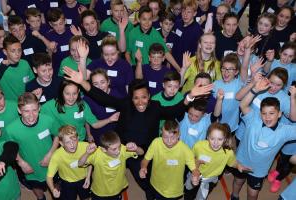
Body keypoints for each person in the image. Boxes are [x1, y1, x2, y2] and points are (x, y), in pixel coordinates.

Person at [63, 65, 213, 197]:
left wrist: (191, 95)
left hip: (143, 151)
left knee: (144, 179)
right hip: (120, 148)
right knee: (112, 174)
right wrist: (82, 81)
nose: (140, 102)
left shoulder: (155, 107)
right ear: (131, 98)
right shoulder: (125, 104)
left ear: (149, 96)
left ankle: (150, 192)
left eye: (144, 97)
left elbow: (174, 110)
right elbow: (103, 98)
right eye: (136, 98)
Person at [231, 82, 296, 200]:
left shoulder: (285, 131)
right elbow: (243, 105)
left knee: (253, 194)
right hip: (241, 162)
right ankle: (234, 196)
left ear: (280, 114)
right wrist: (254, 90)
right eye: (264, 113)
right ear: (260, 114)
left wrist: (293, 98)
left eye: (272, 113)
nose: (267, 117)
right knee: (237, 182)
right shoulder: (253, 119)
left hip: (259, 171)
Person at [6, 92, 59, 200]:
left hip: (52, 162)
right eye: (26, 111)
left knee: (56, 183)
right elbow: (11, 149)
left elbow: (57, 136)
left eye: (34, 110)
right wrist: (21, 163)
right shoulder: (11, 129)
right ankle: (40, 198)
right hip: (30, 166)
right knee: (35, 186)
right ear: (19, 110)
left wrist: (50, 154)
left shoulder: (48, 120)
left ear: (39, 108)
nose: (31, 115)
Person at [184, 122, 250, 200]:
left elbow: (232, 163)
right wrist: (196, 163)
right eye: (212, 139)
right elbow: (190, 158)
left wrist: (238, 165)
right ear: (207, 137)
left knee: (202, 196)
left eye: (220, 139)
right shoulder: (199, 146)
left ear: (225, 139)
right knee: (189, 194)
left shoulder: (228, 153)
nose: (215, 143)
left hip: (209, 180)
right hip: (195, 175)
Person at [41, 80, 120, 141]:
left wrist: (109, 119)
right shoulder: (51, 105)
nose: (71, 98)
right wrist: (36, 99)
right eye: (67, 94)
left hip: (80, 140)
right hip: (62, 142)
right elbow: (34, 111)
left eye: (74, 93)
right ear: (62, 93)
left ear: (78, 92)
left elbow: (95, 124)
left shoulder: (82, 105)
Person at [140, 120, 200, 199]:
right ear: (161, 133)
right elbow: (145, 160)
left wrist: (195, 176)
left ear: (179, 135)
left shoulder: (185, 149)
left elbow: (194, 168)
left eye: (173, 138)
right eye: (165, 137)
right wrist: (143, 167)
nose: (169, 141)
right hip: (155, 183)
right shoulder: (156, 143)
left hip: (173, 190)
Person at [78, 131, 144, 200]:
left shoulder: (123, 149)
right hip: (99, 191)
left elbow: (141, 153)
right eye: (114, 149)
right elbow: (80, 164)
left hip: (117, 189)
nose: (118, 151)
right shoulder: (96, 154)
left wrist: (136, 148)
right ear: (103, 149)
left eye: (119, 146)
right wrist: (87, 153)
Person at [125, 6, 181, 72]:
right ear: (139, 19)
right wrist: (130, 65)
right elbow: (127, 53)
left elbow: (166, 52)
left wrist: (178, 68)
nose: (147, 22)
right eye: (144, 19)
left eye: (149, 19)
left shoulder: (156, 34)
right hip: (136, 67)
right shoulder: (132, 33)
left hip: (150, 68)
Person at [47, 125, 91, 200]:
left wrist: (88, 177)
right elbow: (49, 177)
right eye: (67, 142)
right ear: (61, 143)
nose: (72, 145)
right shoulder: (57, 155)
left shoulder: (86, 146)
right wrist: (52, 189)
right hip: (67, 183)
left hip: (84, 179)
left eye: (74, 140)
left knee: (86, 197)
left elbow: (90, 162)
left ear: (78, 138)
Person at [84, 68, 122, 144]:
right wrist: (88, 134)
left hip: (115, 135)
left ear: (108, 82)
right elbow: (87, 120)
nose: (100, 86)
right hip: (97, 135)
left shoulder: (118, 96)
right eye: (96, 84)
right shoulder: (87, 99)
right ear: (91, 86)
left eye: (102, 82)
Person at [213, 53, 244, 134]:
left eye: (230, 69)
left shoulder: (239, 83)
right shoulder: (216, 84)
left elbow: (244, 69)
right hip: (217, 125)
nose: (226, 72)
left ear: (236, 71)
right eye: (224, 68)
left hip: (231, 126)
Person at [0, 35, 34, 100]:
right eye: (13, 51)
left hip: (24, 104)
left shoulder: (25, 63)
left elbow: (31, 82)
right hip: (8, 106)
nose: (17, 54)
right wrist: (2, 67)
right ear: (5, 52)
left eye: (19, 50)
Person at [172, 0, 203, 67]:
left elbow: (199, 51)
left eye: (189, 12)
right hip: (174, 63)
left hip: (188, 66)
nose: (185, 15)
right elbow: (173, 43)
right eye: (183, 11)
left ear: (194, 13)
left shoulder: (198, 30)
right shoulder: (177, 23)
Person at [45, 8, 74, 74]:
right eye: (55, 25)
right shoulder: (48, 36)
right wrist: (50, 50)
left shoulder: (72, 32)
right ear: (50, 24)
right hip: (57, 70)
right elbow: (47, 59)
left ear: (65, 21)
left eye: (61, 23)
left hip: (73, 67)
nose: (58, 27)